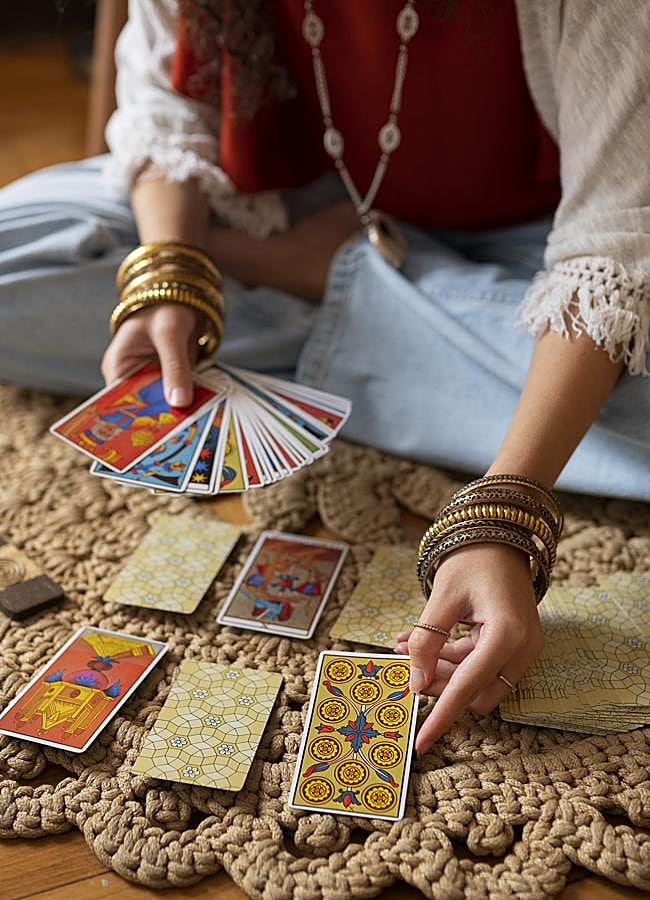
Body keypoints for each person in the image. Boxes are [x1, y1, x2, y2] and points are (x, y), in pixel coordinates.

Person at [0, 0, 648, 755]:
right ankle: (376, 319)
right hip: (275, 207)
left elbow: (610, 255)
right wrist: (174, 271)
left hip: (533, 247)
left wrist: (505, 510)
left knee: (625, 366)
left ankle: (337, 285)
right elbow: (166, 108)